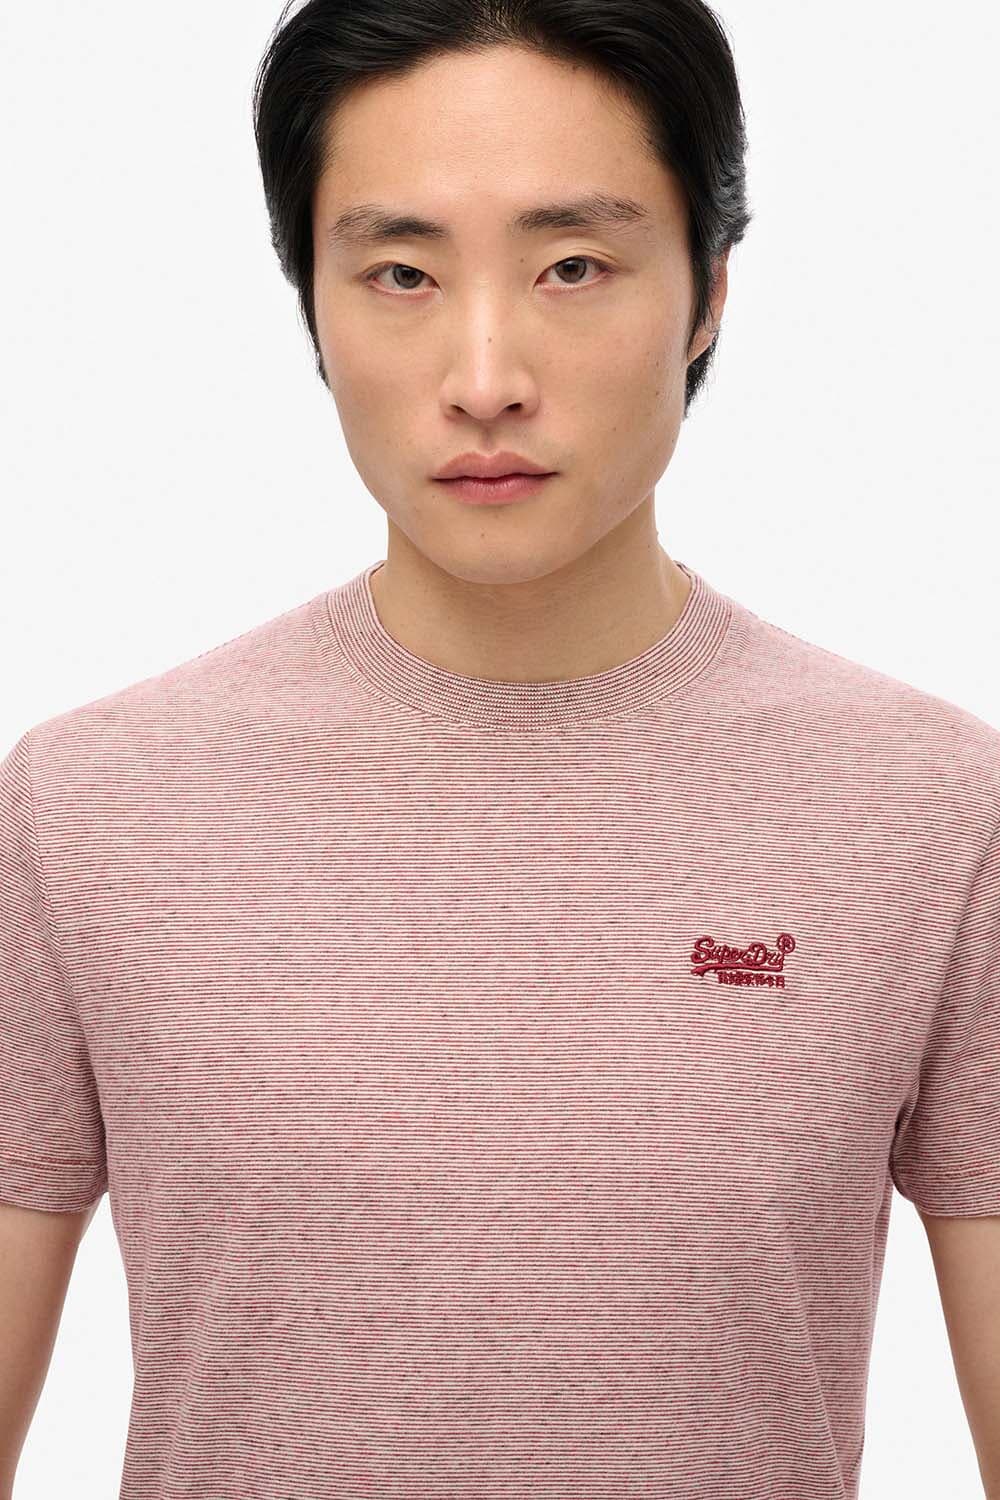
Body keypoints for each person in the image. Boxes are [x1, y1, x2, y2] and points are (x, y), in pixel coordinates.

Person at [1, 1, 998, 1496]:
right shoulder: (91, 806)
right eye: (401, 273)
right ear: (311, 302)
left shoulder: (925, 807)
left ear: (710, 291)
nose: (484, 376)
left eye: (572, 266)